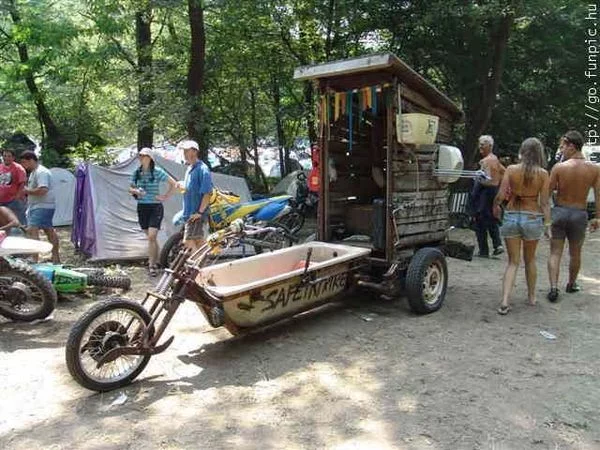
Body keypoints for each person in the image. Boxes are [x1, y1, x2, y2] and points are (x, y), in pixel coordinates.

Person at [492, 138, 550, 315]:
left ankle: (504, 301)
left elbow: (501, 195)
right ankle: (531, 297)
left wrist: (495, 206)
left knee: (512, 262)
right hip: (532, 216)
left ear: (522, 151)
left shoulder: (511, 169)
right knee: (530, 260)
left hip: (511, 216)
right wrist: (548, 224)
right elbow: (545, 202)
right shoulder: (543, 174)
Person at [546, 130, 600, 302]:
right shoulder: (594, 169)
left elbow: (547, 194)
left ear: (572, 146)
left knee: (555, 252)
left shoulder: (559, 168)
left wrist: (546, 217)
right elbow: (598, 194)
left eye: (563, 146)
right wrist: (597, 217)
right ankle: (571, 283)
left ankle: (553, 287)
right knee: (575, 252)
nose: (561, 150)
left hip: (560, 211)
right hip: (579, 213)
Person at [129, 147, 177, 276]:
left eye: (144, 155)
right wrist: (136, 191)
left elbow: (174, 184)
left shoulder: (157, 171)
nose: (141, 158)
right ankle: (159, 260)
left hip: (155, 207)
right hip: (142, 207)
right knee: (151, 238)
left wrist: (165, 196)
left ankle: (151, 266)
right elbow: (130, 188)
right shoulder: (136, 172)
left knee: (151, 236)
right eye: (140, 155)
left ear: (150, 158)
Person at [19, 151, 60, 263]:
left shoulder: (42, 172)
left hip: (43, 206)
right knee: (49, 231)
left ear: (31, 160)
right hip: (37, 206)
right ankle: (55, 258)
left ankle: (34, 259)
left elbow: (43, 190)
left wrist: (27, 191)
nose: (23, 165)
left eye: (24, 162)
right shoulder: (34, 172)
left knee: (33, 231)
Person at [471, 135, 505, 257]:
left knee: (480, 220)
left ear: (490, 146)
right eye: (480, 143)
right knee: (491, 218)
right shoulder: (495, 159)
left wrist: (477, 178)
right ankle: (497, 244)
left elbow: (487, 179)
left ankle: (484, 250)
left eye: (483, 143)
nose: (480, 146)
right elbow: (504, 172)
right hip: (492, 191)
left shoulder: (486, 161)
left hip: (486, 192)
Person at [178, 140, 213, 251]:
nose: (184, 153)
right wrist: (182, 185)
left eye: (187, 151)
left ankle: (195, 262)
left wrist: (199, 213)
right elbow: (191, 187)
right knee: (199, 242)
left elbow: (207, 193)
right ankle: (206, 261)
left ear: (195, 151)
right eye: (184, 151)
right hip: (189, 213)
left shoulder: (203, 169)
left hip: (196, 214)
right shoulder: (189, 168)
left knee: (188, 242)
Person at [0, 147, 27, 228]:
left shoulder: (18, 168)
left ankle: (23, 235)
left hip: (14, 201)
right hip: (1, 201)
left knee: (19, 223)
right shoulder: (0, 167)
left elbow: (22, 183)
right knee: (4, 224)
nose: (6, 158)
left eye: (9, 156)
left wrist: (17, 196)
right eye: (4, 156)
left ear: (13, 157)